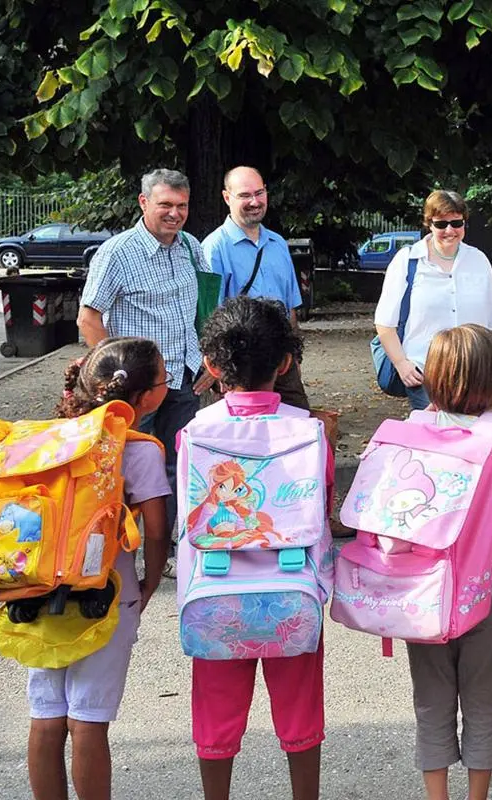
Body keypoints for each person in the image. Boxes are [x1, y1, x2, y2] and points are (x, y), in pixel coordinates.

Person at [182, 297, 329, 800]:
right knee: (300, 708)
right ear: (285, 363)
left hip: (215, 591)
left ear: (211, 365)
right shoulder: (310, 431)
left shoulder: (195, 433)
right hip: (292, 589)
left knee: (216, 712)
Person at [27, 338, 171, 800]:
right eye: (164, 379)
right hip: (107, 597)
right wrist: (149, 580)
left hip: (40, 588)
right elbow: (154, 528)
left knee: (47, 714)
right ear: (147, 397)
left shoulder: (51, 438)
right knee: (88, 719)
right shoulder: (141, 450)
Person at [403, 324, 492, 800]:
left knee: (431, 692)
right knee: (484, 693)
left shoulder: (412, 430)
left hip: (423, 581)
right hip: (487, 578)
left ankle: (436, 794)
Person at [78, 168, 216, 576]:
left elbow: (203, 309)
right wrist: (113, 373)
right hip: (135, 388)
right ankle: (113, 555)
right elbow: (89, 318)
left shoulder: (192, 247)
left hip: (185, 378)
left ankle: (169, 552)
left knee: (177, 467)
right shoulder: (117, 253)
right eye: (165, 205)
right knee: (122, 470)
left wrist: (208, 361)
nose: (174, 214)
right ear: (143, 203)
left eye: (182, 206)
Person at [373, 190, 492, 411]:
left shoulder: (479, 260)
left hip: (474, 374)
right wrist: (402, 364)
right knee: (436, 439)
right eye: (441, 224)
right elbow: (385, 323)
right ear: (429, 224)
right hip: (427, 372)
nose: (450, 230)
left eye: (456, 223)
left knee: (473, 440)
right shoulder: (408, 260)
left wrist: (490, 371)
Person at [201, 166, 309, 409]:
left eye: (259, 193)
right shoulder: (213, 248)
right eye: (244, 195)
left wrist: (294, 358)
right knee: (241, 436)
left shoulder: (278, 244)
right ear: (227, 197)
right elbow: (210, 317)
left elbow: (289, 308)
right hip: (239, 363)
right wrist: (220, 366)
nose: (254, 201)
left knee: (297, 424)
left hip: (281, 359)